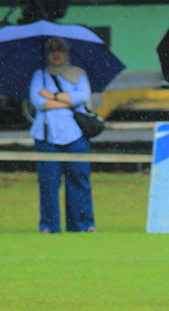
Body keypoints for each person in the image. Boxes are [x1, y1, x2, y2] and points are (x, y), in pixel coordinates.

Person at [29, 36, 96, 234]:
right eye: (51, 50)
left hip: (75, 134)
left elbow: (83, 97)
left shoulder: (78, 74)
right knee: (49, 182)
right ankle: (49, 225)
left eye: (60, 49)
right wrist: (68, 100)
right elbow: (39, 102)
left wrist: (53, 96)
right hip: (47, 136)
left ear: (67, 52)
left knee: (79, 180)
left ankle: (83, 225)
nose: (56, 54)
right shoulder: (39, 76)